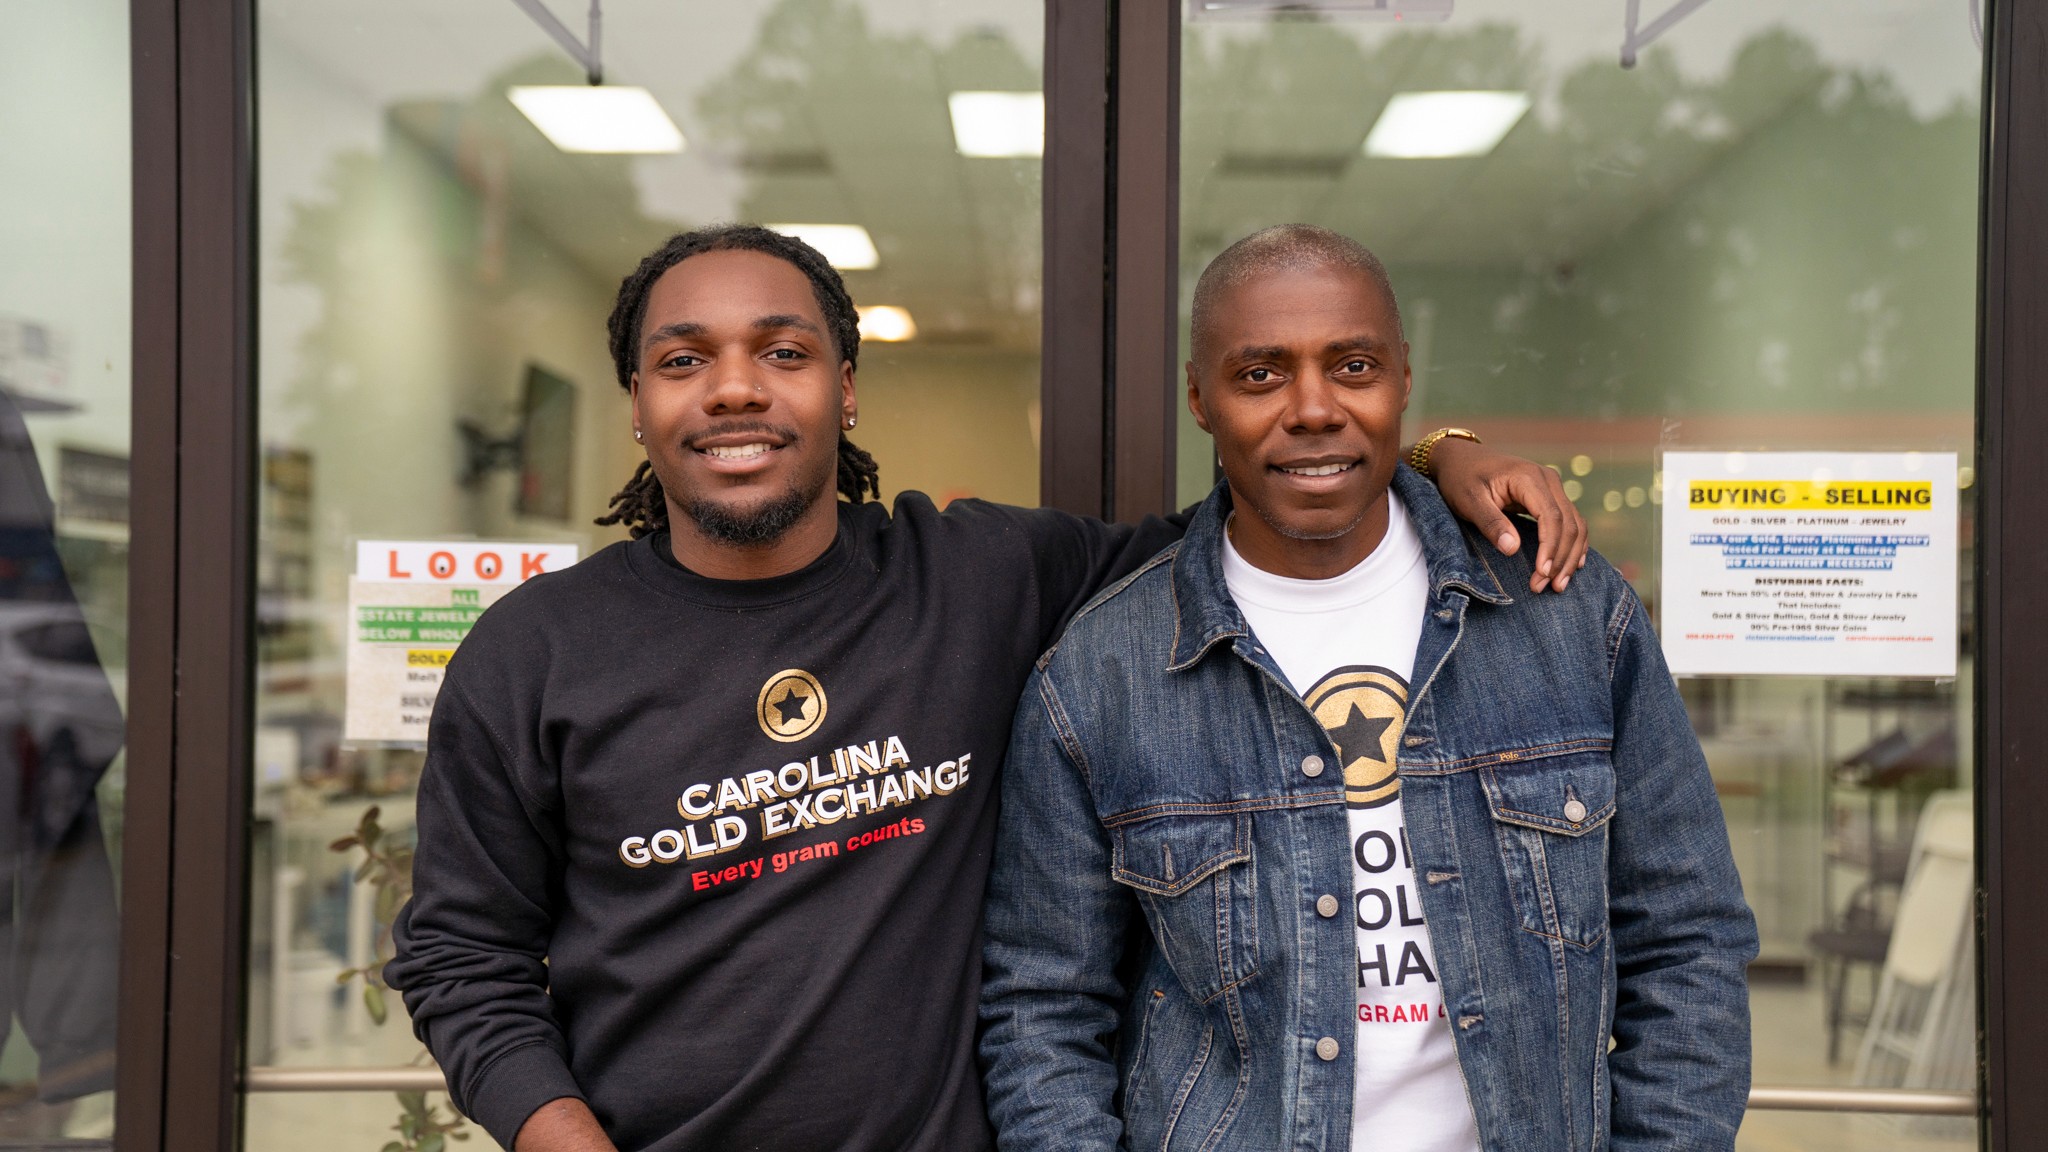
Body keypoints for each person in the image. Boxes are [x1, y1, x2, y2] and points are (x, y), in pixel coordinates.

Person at [386, 223, 1589, 1152]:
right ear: (639, 403)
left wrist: (1435, 454)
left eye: (784, 352)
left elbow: (1265, 502)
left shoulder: (975, 578)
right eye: (682, 359)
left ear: (845, 387)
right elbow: (460, 957)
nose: (735, 388)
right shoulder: (533, 654)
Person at [979, 225, 1757, 1152]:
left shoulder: (1565, 614)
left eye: (1353, 367)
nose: (1314, 409)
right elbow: (1044, 1011)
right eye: (1260, 374)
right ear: (1199, 398)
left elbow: (1689, 943)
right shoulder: (1104, 672)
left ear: (1403, 377)